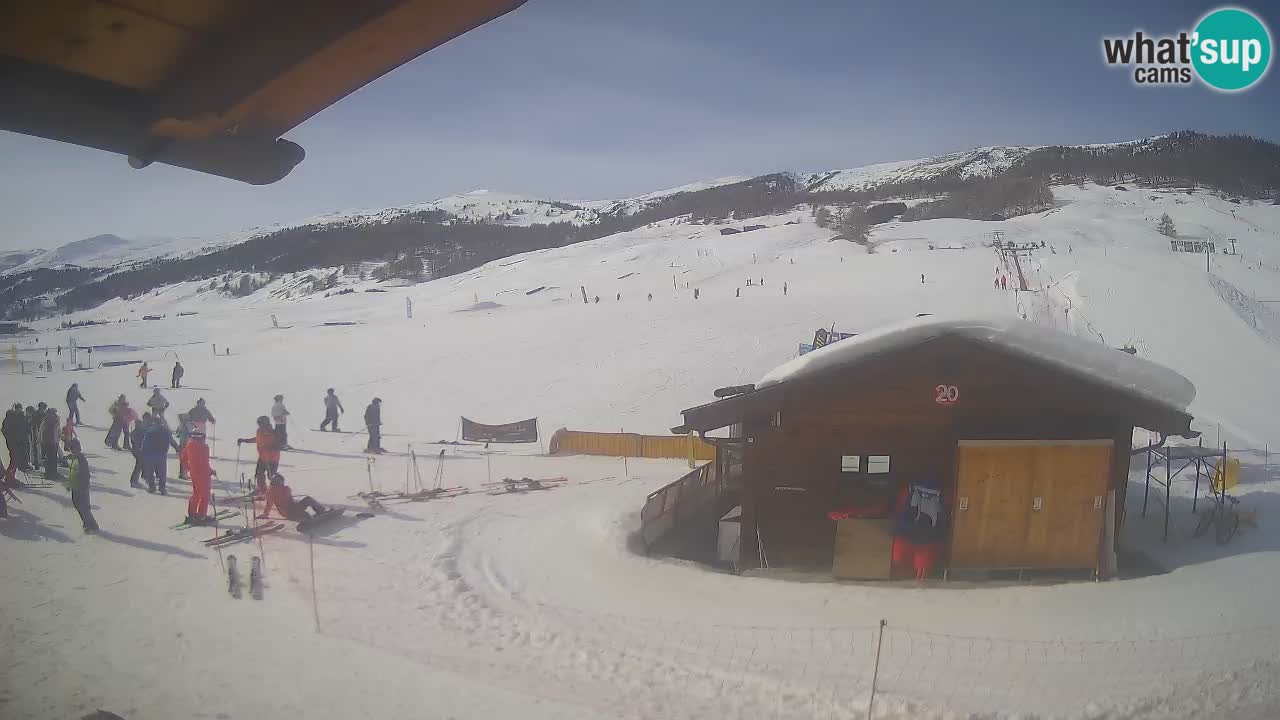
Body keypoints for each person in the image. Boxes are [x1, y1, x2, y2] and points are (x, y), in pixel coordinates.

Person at [259, 472, 329, 522]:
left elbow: (269, 505)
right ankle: (321, 511)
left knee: (305, 514)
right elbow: (289, 498)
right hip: (292, 510)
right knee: (308, 499)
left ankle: (308, 519)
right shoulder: (286, 489)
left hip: (286, 514)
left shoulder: (270, 491)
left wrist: (265, 515)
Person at [180, 429, 217, 524]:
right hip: (203, 474)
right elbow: (204, 462)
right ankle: (201, 515)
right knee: (205, 495)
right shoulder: (203, 447)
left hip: (194, 473)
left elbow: (183, 459)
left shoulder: (189, 445)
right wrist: (210, 471)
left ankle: (192, 514)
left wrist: (189, 467)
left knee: (196, 493)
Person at [238, 416, 280, 494]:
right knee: (259, 473)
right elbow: (257, 439)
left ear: (266, 423)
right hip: (263, 457)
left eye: (261, 424)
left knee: (271, 476)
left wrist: (269, 447)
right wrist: (245, 441)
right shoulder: (259, 431)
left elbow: (277, 445)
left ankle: (277, 491)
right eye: (259, 424)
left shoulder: (273, 433)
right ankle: (262, 489)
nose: (260, 426)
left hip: (272, 459)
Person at [140, 414, 180, 495]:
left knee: (150, 472)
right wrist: (177, 448)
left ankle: (152, 487)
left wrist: (142, 452)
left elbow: (145, 443)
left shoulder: (149, 430)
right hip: (161, 454)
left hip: (150, 454)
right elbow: (171, 440)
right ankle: (162, 488)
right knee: (162, 473)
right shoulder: (165, 430)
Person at [66, 439, 98, 533]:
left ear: (78, 448)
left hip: (81, 487)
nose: (71, 450)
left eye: (73, 449)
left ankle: (92, 525)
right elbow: (73, 472)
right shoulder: (75, 458)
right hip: (75, 486)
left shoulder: (81, 459)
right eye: (71, 449)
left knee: (84, 507)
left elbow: (85, 475)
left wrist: (84, 487)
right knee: (77, 505)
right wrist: (70, 484)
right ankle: (86, 522)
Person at [2, 403, 28, 472]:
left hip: (16, 441)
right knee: (14, 459)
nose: (19, 410)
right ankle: (9, 476)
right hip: (14, 442)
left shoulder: (20, 417)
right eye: (18, 409)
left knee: (15, 459)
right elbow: (4, 430)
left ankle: (10, 475)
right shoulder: (13, 418)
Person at [128, 413, 151, 488]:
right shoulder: (140, 429)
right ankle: (134, 481)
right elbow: (134, 438)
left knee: (143, 462)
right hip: (138, 450)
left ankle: (144, 476)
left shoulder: (143, 427)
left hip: (139, 450)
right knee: (139, 464)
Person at [42, 408, 61, 480]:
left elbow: (42, 432)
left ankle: (49, 473)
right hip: (52, 443)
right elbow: (57, 432)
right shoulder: (54, 421)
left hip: (48, 442)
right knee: (52, 459)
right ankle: (52, 473)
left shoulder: (45, 421)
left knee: (49, 458)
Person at [175, 413, 192, 479]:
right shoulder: (189, 425)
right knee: (186, 460)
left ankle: (181, 473)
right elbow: (192, 433)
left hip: (181, 444)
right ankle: (185, 474)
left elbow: (177, 433)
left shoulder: (180, 425)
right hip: (187, 444)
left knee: (182, 460)